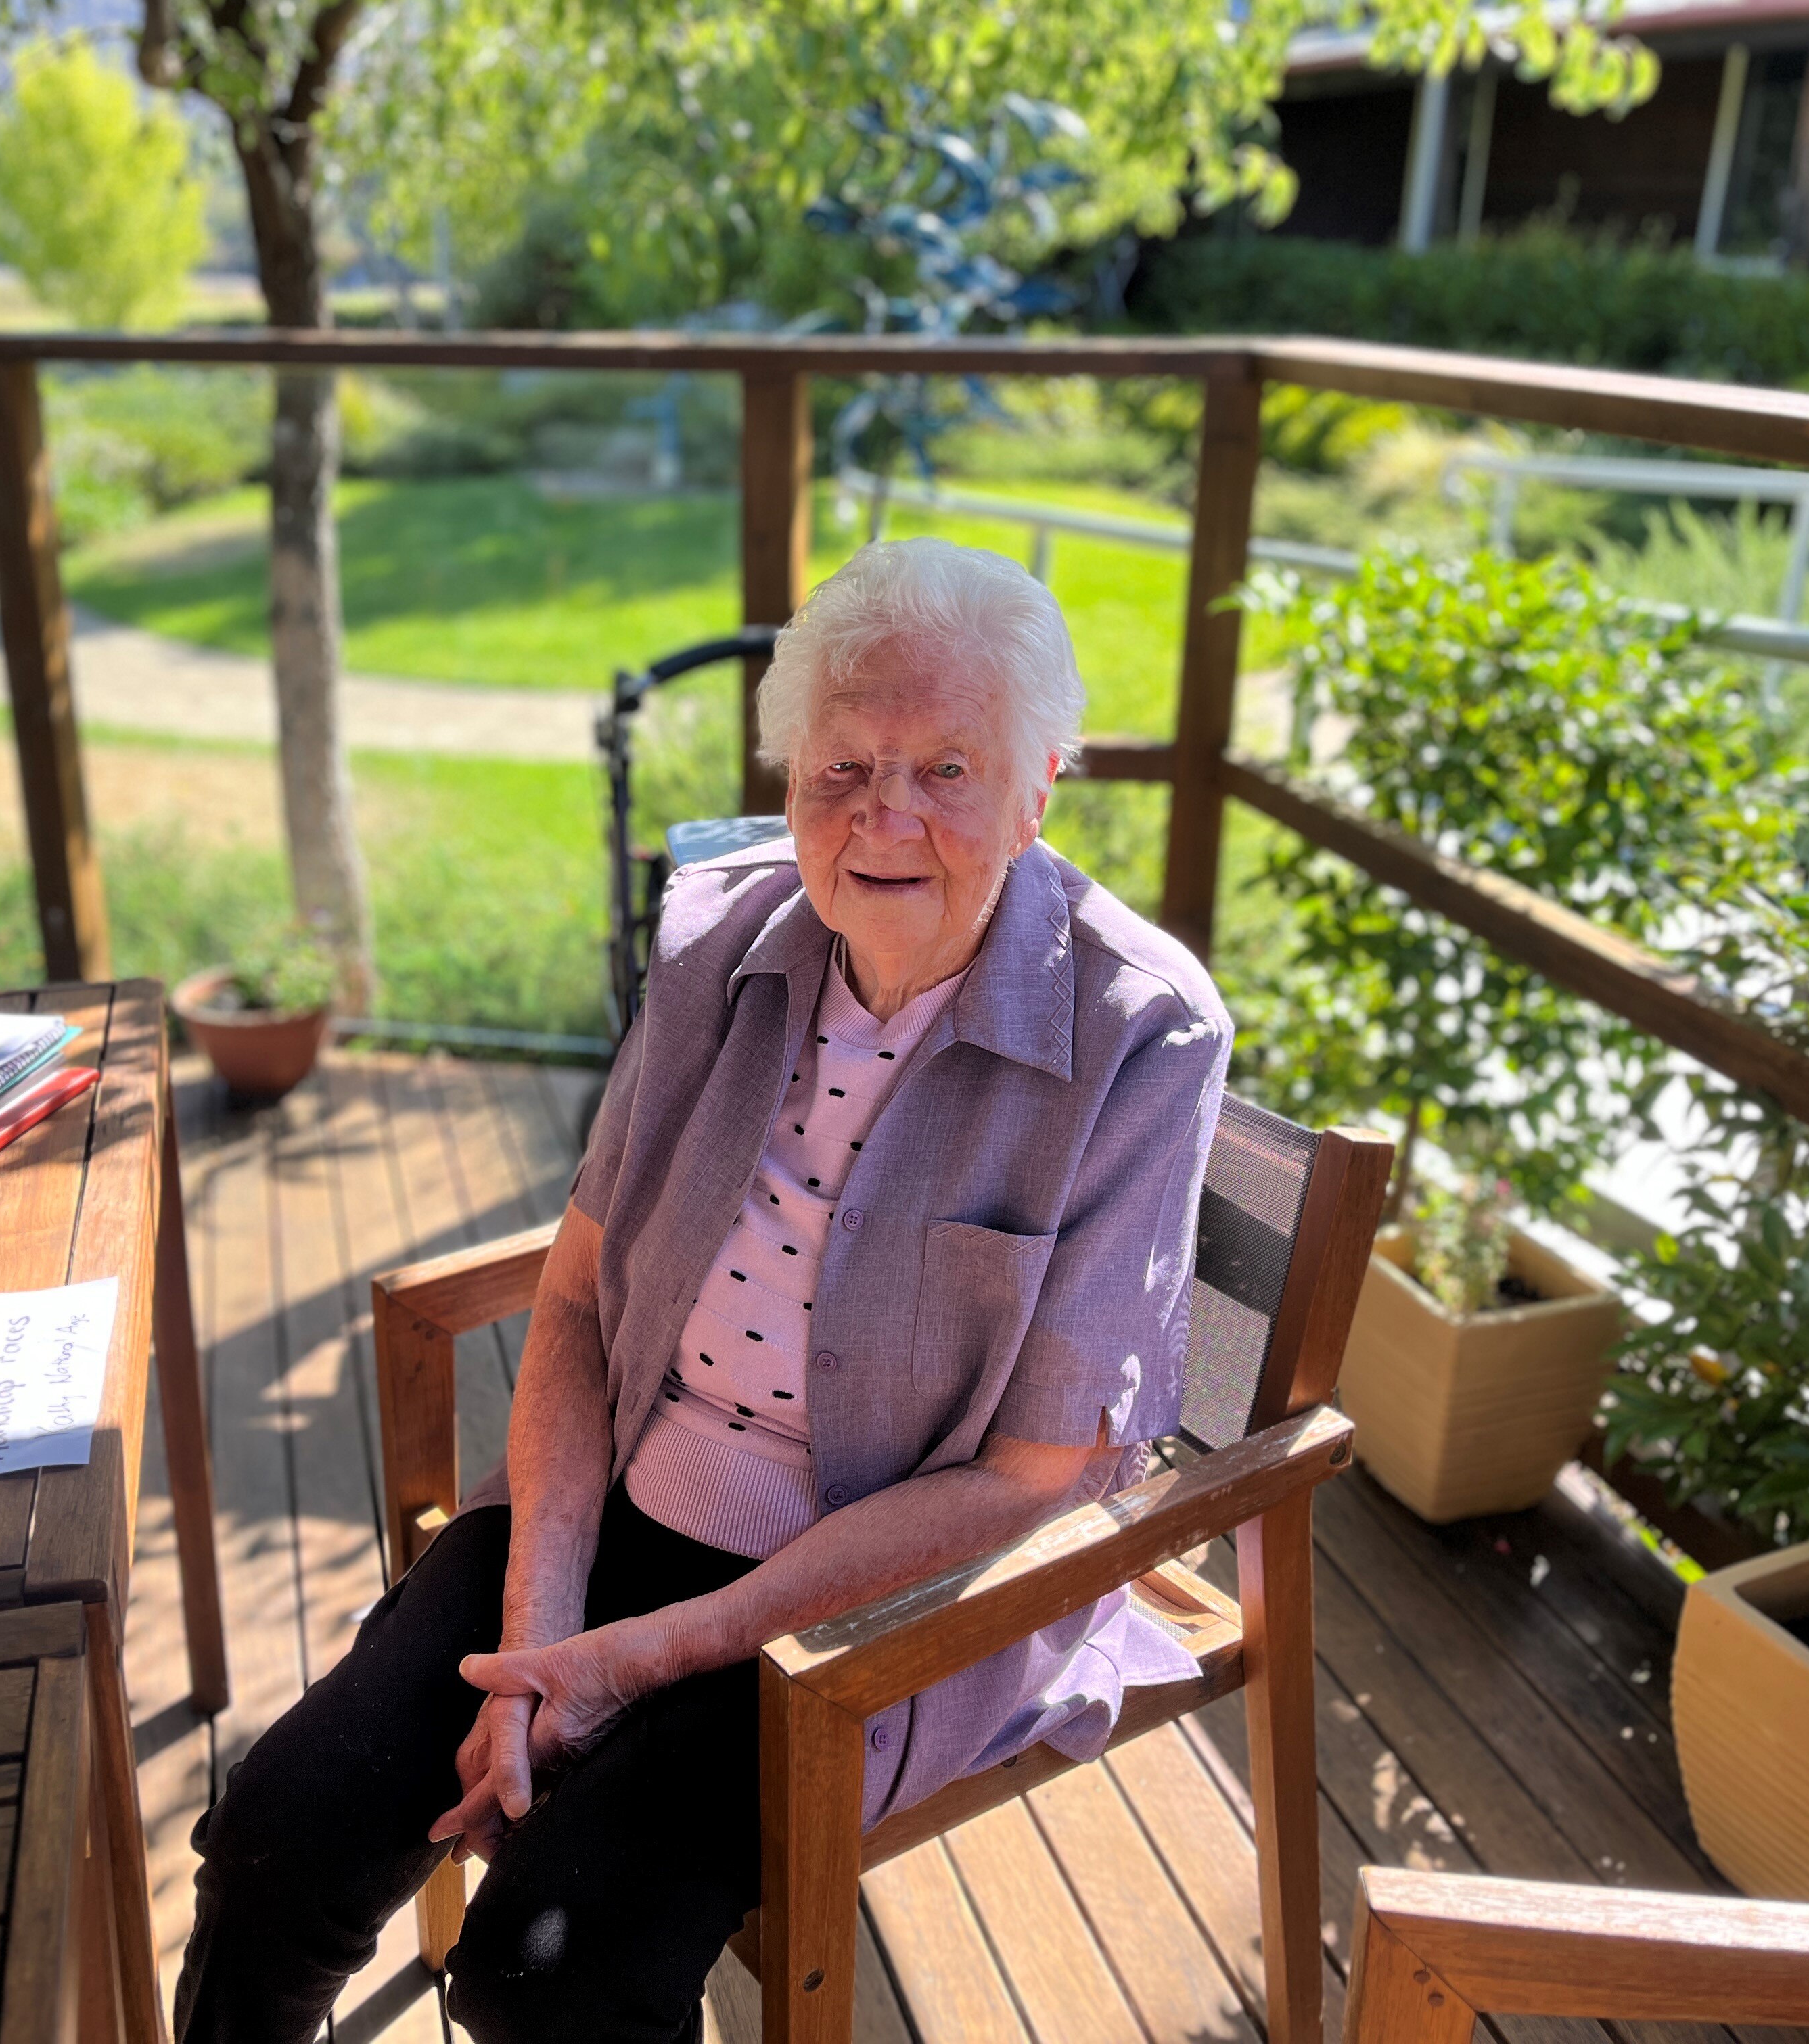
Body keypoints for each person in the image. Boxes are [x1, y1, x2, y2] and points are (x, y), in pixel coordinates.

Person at [173, 536, 1233, 2044]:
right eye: (841, 768)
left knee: (547, 1973)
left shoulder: (1141, 1033)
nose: (886, 815)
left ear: (1038, 787)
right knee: (274, 1842)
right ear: (789, 775)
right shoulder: (715, 941)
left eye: (946, 769)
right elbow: (580, 1303)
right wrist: (539, 1634)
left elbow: (1032, 1482)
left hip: (877, 1601)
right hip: (612, 1516)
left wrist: (631, 1661)